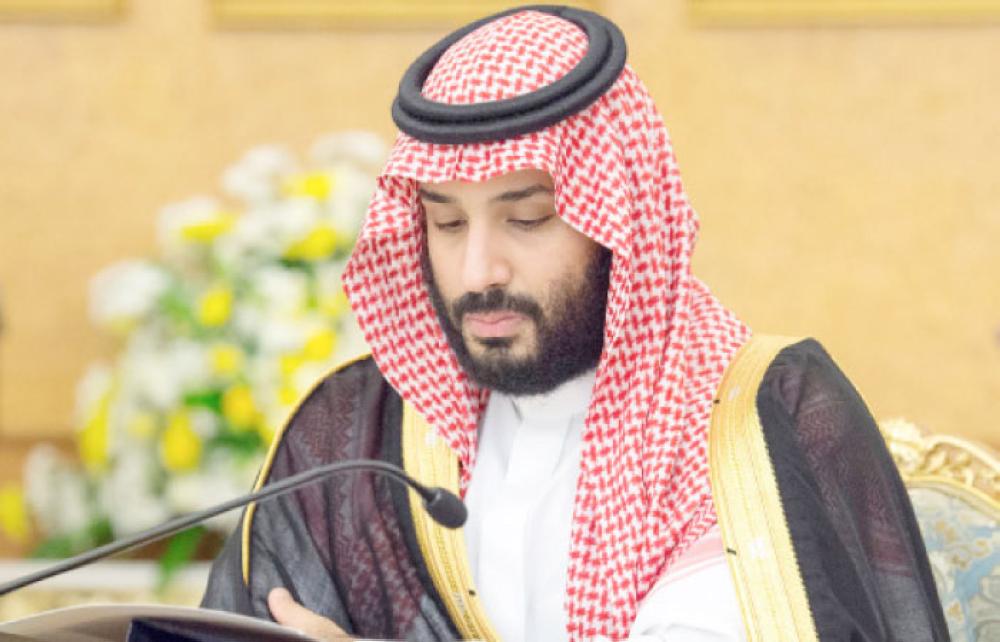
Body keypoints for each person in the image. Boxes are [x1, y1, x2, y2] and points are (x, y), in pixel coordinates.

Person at [202, 6, 949, 641]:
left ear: (614, 218)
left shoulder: (753, 424)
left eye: (526, 218)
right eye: (447, 222)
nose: (477, 272)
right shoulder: (355, 438)